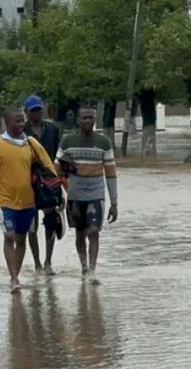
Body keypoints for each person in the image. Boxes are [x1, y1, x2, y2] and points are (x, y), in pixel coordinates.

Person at [0, 108, 57, 293]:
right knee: (9, 237)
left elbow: (48, 167)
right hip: (5, 202)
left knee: (21, 239)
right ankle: (14, 278)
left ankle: (17, 272)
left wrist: (60, 192)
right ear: (7, 123)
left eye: (22, 121)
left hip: (29, 202)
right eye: (17, 121)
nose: (21, 125)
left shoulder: (31, 144)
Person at [56, 107, 118, 284]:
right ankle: (83, 267)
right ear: (78, 120)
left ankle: (91, 271)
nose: (88, 121)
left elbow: (111, 173)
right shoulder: (68, 141)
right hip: (74, 195)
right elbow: (56, 168)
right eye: (84, 118)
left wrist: (114, 203)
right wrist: (63, 175)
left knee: (94, 232)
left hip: (95, 195)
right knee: (80, 234)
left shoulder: (104, 142)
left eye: (91, 118)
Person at [22, 95, 63, 276]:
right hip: (27, 181)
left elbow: (60, 154)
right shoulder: (21, 131)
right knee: (32, 225)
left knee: (52, 221)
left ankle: (48, 261)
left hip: (50, 180)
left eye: (39, 109)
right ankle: (37, 263)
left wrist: (62, 179)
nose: (37, 113)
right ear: (26, 112)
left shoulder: (53, 129)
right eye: (33, 111)